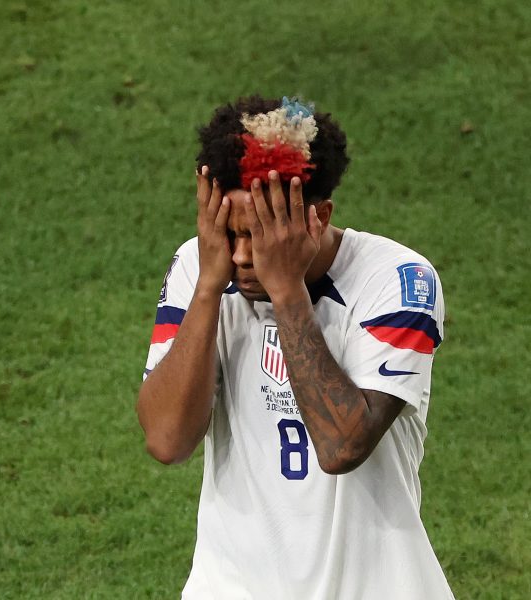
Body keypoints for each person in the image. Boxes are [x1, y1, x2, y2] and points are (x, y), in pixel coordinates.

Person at [137, 95, 454, 599]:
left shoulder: (398, 282)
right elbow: (167, 440)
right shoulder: (202, 268)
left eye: (261, 235)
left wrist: (286, 291)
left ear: (319, 216)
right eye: (229, 234)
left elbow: (341, 446)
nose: (243, 256)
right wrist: (207, 288)